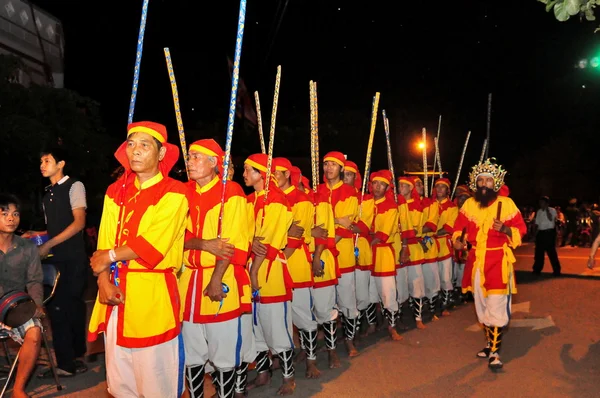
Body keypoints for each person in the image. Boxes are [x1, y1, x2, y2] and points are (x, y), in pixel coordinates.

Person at [88, 121, 189, 397]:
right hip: (114, 297)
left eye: (145, 145)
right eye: (131, 144)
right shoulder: (114, 192)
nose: (135, 151)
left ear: (161, 154)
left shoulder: (175, 192)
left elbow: (153, 243)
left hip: (152, 298)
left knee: (157, 384)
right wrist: (103, 282)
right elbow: (104, 243)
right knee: (121, 385)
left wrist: (108, 257)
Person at [180, 139, 252, 398]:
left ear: (214, 163)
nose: (189, 161)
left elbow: (230, 244)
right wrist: (202, 243)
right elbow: (173, 238)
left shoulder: (231, 191)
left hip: (218, 278)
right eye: (189, 156)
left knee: (222, 352)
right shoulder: (182, 193)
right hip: (187, 282)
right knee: (191, 352)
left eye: (196, 157)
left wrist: (216, 278)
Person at [453, 158, 526, 371]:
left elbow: (520, 230)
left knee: (495, 304)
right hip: (476, 261)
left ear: (495, 184)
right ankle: (488, 345)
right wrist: (457, 240)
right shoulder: (468, 204)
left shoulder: (508, 204)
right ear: (476, 184)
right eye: (481, 181)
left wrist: (505, 229)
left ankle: (494, 353)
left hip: (498, 261)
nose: (484, 184)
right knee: (481, 306)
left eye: (488, 180)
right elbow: (459, 227)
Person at [23, 146, 88, 378]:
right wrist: (38, 235)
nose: (42, 165)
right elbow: (55, 229)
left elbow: (79, 223)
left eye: (47, 160)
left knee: (66, 308)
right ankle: (71, 360)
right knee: (58, 309)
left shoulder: (74, 186)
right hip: (55, 258)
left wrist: (48, 244)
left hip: (73, 258)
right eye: (41, 161)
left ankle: (69, 361)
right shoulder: (47, 193)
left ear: (61, 164)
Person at [243, 154, 296, 395]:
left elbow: (268, 243)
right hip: (250, 269)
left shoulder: (276, 199)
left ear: (261, 174)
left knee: (276, 327)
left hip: (269, 271)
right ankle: (263, 374)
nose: (244, 174)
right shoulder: (248, 200)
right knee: (256, 330)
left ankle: (288, 377)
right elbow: (245, 236)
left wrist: (255, 273)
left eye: (248, 170)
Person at [0, 194, 45, 398]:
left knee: (35, 332)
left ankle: (18, 389)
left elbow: (34, 280)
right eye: (4, 213)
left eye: (15, 213)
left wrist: (36, 305)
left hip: (17, 308)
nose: (11, 218)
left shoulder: (28, 247)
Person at [319, 151, 361, 357]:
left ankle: (350, 341)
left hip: (341, 253)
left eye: (333, 165)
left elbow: (346, 227)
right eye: (326, 164)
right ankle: (331, 346)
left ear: (341, 169)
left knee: (347, 301)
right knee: (326, 303)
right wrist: (335, 220)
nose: (329, 168)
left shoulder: (349, 192)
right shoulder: (316, 192)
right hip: (322, 254)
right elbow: (315, 222)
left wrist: (327, 237)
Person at [343, 160, 377, 336]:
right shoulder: (334, 195)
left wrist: (341, 223)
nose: (345, 178)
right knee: (346, 293)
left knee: (362, 292)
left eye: (349, 174)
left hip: (360, 249)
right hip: (340, 249)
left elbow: (362, 227)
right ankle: (351, 330)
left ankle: (369, 321)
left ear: (355, 177)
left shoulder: (366, 199)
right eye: (343, 174)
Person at [368, 171, 402, 340]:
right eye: (375, 183)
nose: (377, 187)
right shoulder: (364, 203)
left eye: (381, 184)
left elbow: (383, 233)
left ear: (387, 187)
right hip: (366, 255)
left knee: (388, 291)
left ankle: (392, 326)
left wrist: (366, 239)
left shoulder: (390, 206)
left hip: (382, 254)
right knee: (369, 293)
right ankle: (372, 324)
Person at [398, 177, 427, 329]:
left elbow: (414, 229)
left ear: (410, 188)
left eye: (404, 185)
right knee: (401, 286)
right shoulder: (396, 204)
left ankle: (418, 318)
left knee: (416, 286)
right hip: (398, 249)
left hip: (414, 250)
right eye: (399, 185)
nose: (400, 188)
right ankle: (400, 318)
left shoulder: (416, 205)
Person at [434, 178, 458, 314]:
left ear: (447, 190)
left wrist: (432, 232)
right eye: (437, 187)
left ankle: (445, 303)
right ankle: (434, 302)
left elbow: (449, 227)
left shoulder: (452, 207)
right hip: (431, 244)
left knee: (445, 276)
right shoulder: (430, 204)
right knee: (433, 276)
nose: (439, 189)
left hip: (444, 244)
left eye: (442, 187)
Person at [532, 196, 561, 276]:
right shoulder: (539, 211)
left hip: (549, 233)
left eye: (542, 202)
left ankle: (556, 270)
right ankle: (537, 269)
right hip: (541, 233)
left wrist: (547, 210)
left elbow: (551, 219)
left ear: (546, 203)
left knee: (551, 252)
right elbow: (537, 224)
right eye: (540, 202)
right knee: (538, 252)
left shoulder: (552, 210)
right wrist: (535, 234)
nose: (540, 204)